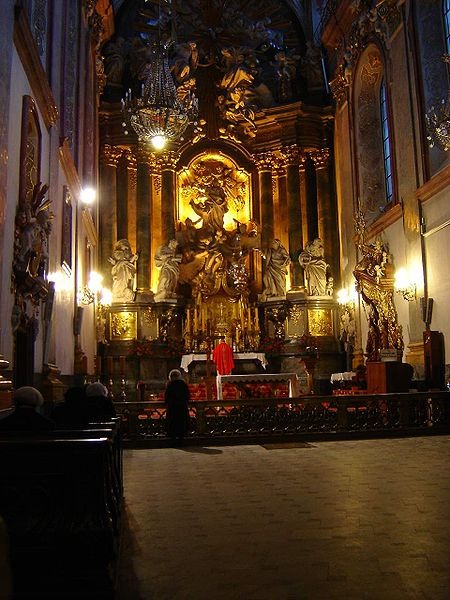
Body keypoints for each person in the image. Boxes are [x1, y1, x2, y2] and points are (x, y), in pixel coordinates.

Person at [164, 369, 190, 442]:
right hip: (182, 407)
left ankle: (173, 438)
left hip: (172, 408)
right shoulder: (183, 384)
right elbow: (187, 396)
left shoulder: (170, 384)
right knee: (182, 423)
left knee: (173, 424)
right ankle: (182, 437)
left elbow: (166, 397)